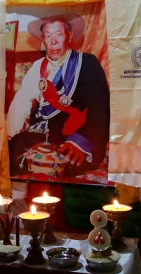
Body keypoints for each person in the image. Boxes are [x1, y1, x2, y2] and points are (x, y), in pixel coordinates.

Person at [7, 13, 110, 178]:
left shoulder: (87, 63)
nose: (53, 42)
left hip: (71, 140)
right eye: (48, 36)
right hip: (38, 138)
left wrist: (82, 142)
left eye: (59, 34)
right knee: (12, 154)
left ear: (69, 36)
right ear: (43, 39)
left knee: (63, 167)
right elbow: (21, 101)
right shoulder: (37, 67)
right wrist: (10, 135)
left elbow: (100, 109)